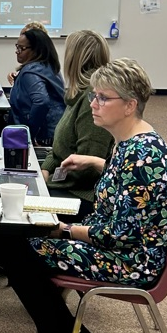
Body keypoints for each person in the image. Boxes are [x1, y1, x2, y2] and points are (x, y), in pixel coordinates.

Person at [0, 59, 167, 333]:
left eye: (102, 98)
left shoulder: (142, 157)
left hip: (129, 263)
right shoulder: (132, 144)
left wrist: (65, 230)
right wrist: (98, 163)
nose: (93, 104)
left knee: (18, 250)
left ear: (130, 105)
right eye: (94, 96)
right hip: (120, 247)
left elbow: (117, 236)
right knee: (17, 238)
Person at [40, 30, 113, 220]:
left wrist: (48, 185)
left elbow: (87, 166)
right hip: (66, 185)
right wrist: (45, 170)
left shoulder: (92, 100)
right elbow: (60, 147)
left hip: (80, 196)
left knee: (13, 211)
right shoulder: (77, 93)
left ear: (73, 59)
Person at [9, 26, 65, 144]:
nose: (17, 51)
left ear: (36, 50)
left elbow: (41, 101)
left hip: (43, 137)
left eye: (22, 48)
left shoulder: (30, 72)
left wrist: (29, 132)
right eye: (17, 47)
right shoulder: (49, 67)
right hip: (56, 132)